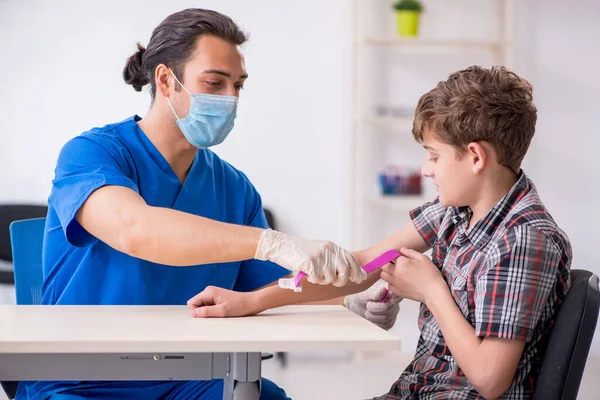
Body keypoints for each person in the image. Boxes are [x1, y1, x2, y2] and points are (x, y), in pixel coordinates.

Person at [16, 8, 404, 400]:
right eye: (215, 83)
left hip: (188, 379)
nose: (231, 98)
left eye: (238, 85)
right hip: (78, 381)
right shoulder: (93, 154)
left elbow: (273, 286)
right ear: (166, 80)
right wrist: (270, 241)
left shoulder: (234, 188)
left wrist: (345, 300)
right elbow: (136, 230)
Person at [188, 66, 573, 399]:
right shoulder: (453, 213)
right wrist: (251, 301)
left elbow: (490, 380)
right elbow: (359, 265)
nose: (425, 170)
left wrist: (431, 290)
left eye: (434, 156)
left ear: (475, 157)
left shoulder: (524, 238)